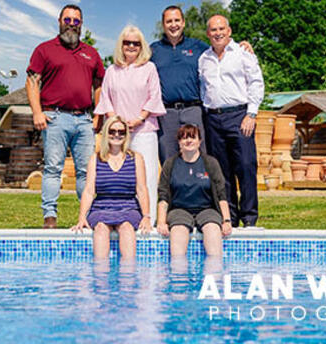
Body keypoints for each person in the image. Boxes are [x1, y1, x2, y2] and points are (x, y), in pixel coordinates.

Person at [26, 4, 105, 229]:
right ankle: (49, 216)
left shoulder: (91, 53)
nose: (71, 24)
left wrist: (98, 115)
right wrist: (37, 112)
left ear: (81, 25)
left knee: (85, 171)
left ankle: (88, 215)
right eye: (67, 20)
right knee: (53, 168)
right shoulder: (44, 49)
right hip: (55, 117)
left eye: (76, 21)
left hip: (84, 120)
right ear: (59, 21)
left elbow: (99, 84)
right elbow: (32, 81)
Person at [150, 5, 254, 164]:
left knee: (199, 158)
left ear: (184, 23)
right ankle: (171, 190)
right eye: (169, 21)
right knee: (168, 159)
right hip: (166, 113)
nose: (173, 24)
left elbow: (221, 48)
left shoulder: (198, 47)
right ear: (163, 25)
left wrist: (243, 45)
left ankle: (200, 189)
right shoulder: (153, 50)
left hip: (194, 111)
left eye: (177, 20)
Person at [94, 25, 166, 223]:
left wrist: (139, 118)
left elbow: (154, 96)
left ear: (142, 46)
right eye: (127, 43)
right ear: (121, 45)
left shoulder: (149, 68)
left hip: (144, 130)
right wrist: (116, 121)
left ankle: (147, 221)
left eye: (136, 43)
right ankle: (116, 218)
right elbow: (106, 98)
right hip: (117, 133)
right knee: (115, 177)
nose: (132, 46)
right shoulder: (112, 70)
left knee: (148, 177)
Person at [198, 15, 264, 227]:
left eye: (221, 29)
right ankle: (230, 218)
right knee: (221, 171)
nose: (217, 33)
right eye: (213, 30)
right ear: (208, 34)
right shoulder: (203, 59)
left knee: (245, 166)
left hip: (240, 116)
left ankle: (250, 218)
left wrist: (251, 114)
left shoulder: (243, 53)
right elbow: (203, 89)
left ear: (229, 31)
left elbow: (256, 83)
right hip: (213, 119)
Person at [73, 115, 152, 259]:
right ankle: (100, 276)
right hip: (101, 208)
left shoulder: (136, 158)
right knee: (101, 228)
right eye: (112, 131)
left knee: (127, 228)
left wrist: (146, 216)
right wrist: (81, 217)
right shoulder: (95, 159)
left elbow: (142, 189)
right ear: (106, 133)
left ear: (126, 135)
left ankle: (128, 277)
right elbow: (89, 191)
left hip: (129, 207)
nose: (117, 135)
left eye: (121, 132)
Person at [156, 124, 232, 256]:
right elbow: (163, 196)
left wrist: (226, 220)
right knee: (178, 229)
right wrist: (161, 222)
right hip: (179, 210)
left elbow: (221, 195)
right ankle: (178, 274)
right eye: (184, 138)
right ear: (179, 142)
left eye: (192, 137)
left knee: (213, 228)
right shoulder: (170, 164)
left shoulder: (210, 163)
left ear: (199, 141)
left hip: (207, 209)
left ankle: (214, 272)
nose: (188, 141)